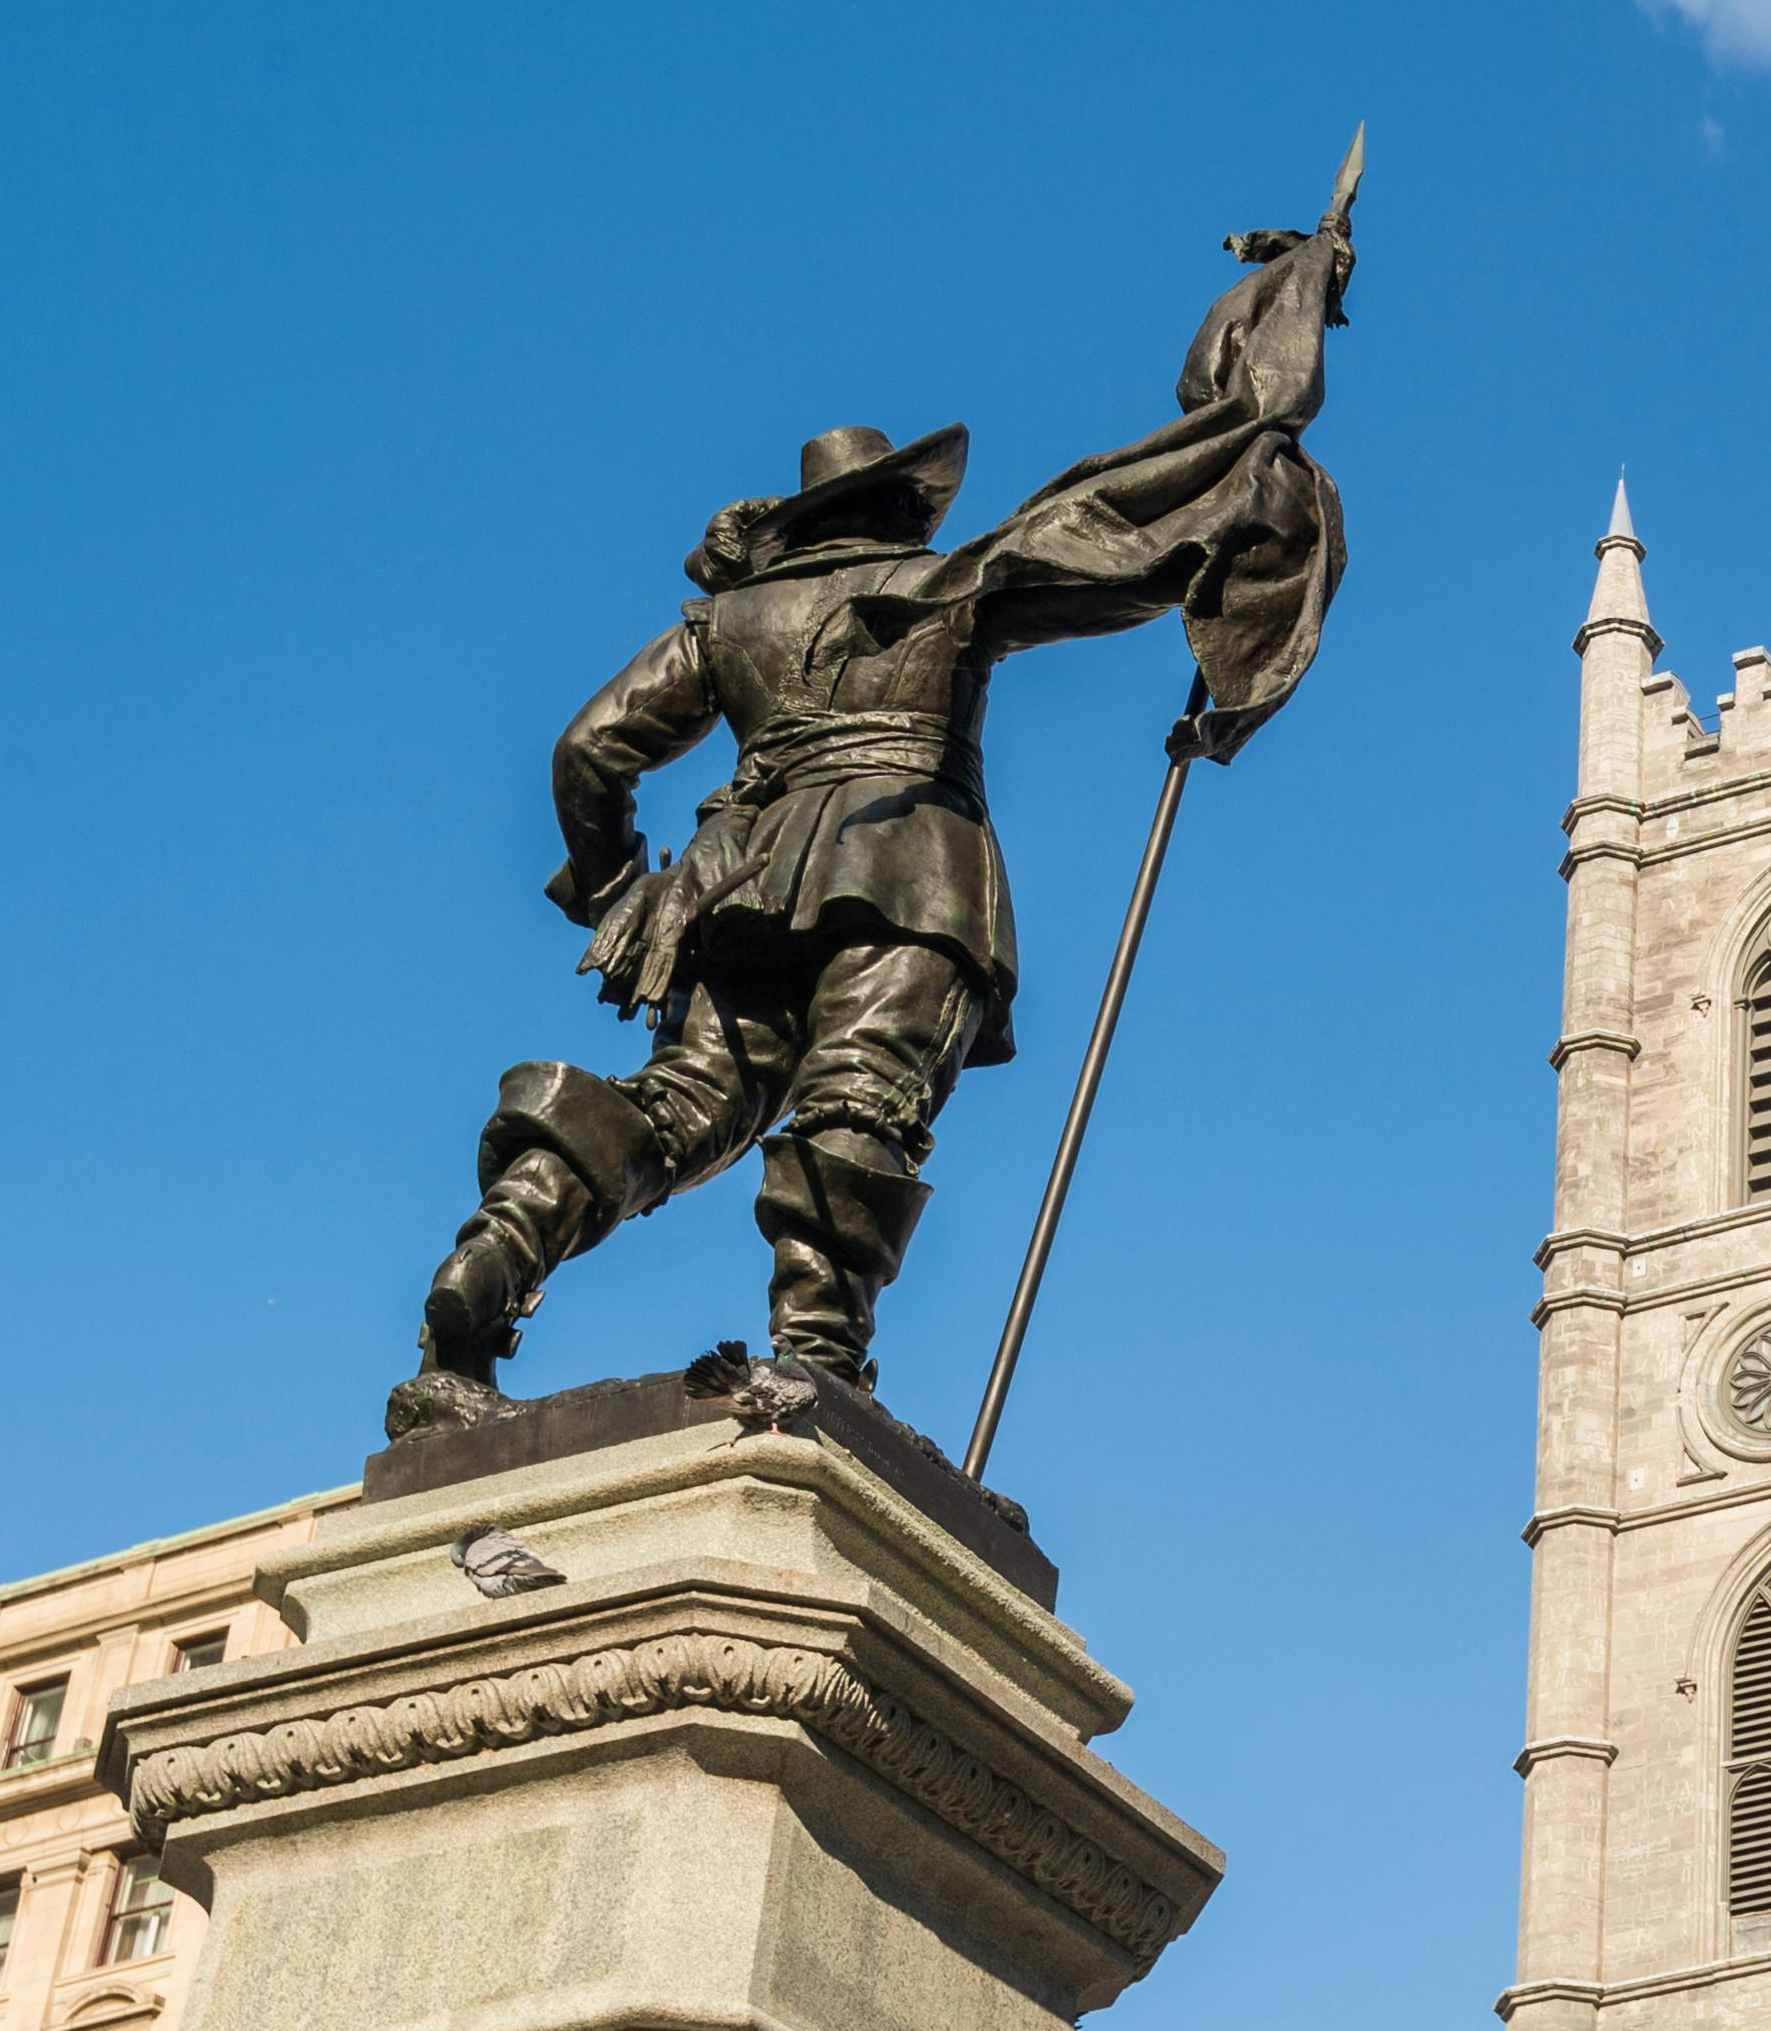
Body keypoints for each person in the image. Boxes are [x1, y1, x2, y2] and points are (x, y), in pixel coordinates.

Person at [388, 183, 1353, 1435]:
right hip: (909, 864)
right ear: (899, 508)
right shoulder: (947, 584)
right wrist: (1241, 489)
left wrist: (622, 887)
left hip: (731, 886)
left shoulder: (727, 620)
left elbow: (586, 754)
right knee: (860, 1095)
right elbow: (1121, 550)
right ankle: (816, 1357)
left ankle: (489, 1270)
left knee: (677, 1107)